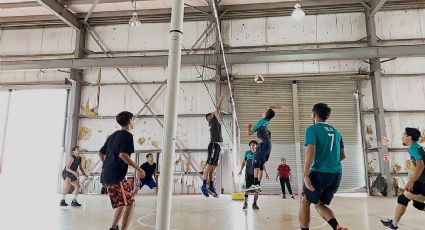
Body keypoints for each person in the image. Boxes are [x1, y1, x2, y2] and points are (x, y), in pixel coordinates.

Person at [299, 103, 348, 230]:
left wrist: (305, 175)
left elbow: (310, 151)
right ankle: (337, 227)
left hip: (319, 173)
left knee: (305, 201)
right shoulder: (336, 132)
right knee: (320, 204)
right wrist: (330, 160)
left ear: (314, 114)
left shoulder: (312, 129)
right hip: (336, 174)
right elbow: (343, 155)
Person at [99, 111, 146, 230]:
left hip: (107, 174)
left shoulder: (112, 136)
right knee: (130, 203)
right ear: (130, 120)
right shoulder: (127, 135)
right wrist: (138, 169)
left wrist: (107, 164)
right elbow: (123, 155)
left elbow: (101, 152)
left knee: (122, 202)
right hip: (116, 176)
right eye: (133, 119)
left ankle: (114, 227)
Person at [381, 127, 425, 229]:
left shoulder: (413, 148)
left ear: (409, 137)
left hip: (422, 181)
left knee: (403, 198)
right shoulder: (419, 147)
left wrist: (411, 182)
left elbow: (421, 166)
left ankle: (393, 224)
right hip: (423, 180)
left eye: (404, 135)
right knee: (418, 204)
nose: (402, 137)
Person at [246, 105, 285, 192]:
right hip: (266, 145)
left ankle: (255, 185)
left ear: (265, 115)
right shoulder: (267, 120)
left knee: (255, 161)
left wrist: (249, 126)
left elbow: (249, 133)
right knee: (260, 163)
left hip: (265, 144)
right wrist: (280, 107)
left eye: (264, 112)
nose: (262, 111)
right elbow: (270, 107)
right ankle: (257, 185)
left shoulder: (261, 122)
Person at [202, 95, 224, 198]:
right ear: (209, 118)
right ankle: (203, 186)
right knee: (209, 167)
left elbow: (217, 112)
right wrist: (220, 100)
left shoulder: (214, 122)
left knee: (213, 167)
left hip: (218, 145)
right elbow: (218, 109)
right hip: (213, 145)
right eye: (212, 114)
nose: (214, 114)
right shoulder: (211, 120)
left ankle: (211, 186)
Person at [238, 140, 260, 210]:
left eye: (254, 144)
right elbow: (243, 162)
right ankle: (245, 203)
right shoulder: (247, 153)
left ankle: (255, 203)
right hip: (248, 174)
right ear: (250, 146)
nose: (253, 145)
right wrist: (240, 170)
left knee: (257, 190)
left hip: (256, 175)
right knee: (247, 190)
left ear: (256, 146)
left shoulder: (258, 153)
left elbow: (262, 164)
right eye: (251, 144)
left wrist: (264, 172)